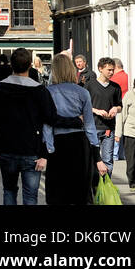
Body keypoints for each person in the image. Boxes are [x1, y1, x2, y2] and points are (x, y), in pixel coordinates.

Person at [0, 48, 83, 205]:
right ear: (30, 65)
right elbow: (51, 119)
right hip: (32, 150)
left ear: (12, 65)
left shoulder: (0, 89)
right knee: (30, 196)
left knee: (9, 191)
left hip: (6, 148)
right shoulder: (39, 90)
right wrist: (77, 121)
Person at [43, 53, 106, 205]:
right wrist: (97, 157)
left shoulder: (47, 93)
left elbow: (46, 125)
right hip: (79, 143)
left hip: (57, 143)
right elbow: (90, 127)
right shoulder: (82, 92)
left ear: (54, 71)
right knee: (80, 190)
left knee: (56, 191)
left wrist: (48, 149)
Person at [85, 57, 123, 177]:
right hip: (93, 127)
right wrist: (96, 111)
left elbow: (120, 106)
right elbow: (83, 106)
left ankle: (106, 185)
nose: (111, 72)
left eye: (112, 70)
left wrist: (115, 109)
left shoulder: (115, 87)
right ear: (100, 69)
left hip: (109, 128)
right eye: (108, 70)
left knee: (108, 160)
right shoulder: (89, 85)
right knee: (92, 159)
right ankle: (93, 187)